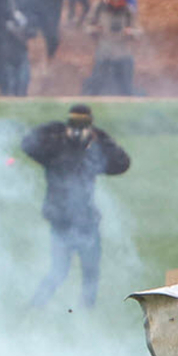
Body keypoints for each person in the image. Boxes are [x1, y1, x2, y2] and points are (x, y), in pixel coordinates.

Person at [23, 105, 130, 310]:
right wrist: (53, 128)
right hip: (61, 219)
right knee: (59, 271)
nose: (79, 133)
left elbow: (122, 163)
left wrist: (101, 138)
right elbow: (27, 144)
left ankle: (86, 313)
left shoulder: (93, 149)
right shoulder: (54, 148)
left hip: (87, 220)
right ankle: (35, 306)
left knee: (91, 274)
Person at [82, 0, 138, 96]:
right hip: (103, 50)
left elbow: (139, 31)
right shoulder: (98, 7)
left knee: (126, 85)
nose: (114, 1)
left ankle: (127, 103)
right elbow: (86, 26)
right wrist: (94, 30)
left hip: (122, 52)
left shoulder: (128, 10)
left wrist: (131, 32)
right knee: (97, 81)